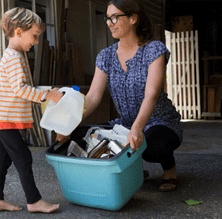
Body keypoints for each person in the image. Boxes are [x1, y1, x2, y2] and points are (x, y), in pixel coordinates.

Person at [58, 0, 183, 192]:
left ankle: (169, 169)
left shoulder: (153, 50)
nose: (110, 22)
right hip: (125, 123)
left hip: (159, 121)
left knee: (151, 144)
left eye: (115, 17)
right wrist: (69, 123)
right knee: (80, 135)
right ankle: (133, 169)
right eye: (108, 18)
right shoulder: (106, 56)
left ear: (133, 19)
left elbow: (151, 94)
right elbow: (92, 97)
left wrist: (137, 129)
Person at [0, 7, 62, 213]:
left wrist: (46, 93)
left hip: (2, 118)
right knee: (23, 157)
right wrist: (46, 95)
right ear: (19, 32)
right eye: (35, 36)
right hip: (4, 119)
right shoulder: (13, 57)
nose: (37, 41)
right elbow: (20, 89)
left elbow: (21, 88)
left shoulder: (16, 55)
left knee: (3, 159)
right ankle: (34, 200)